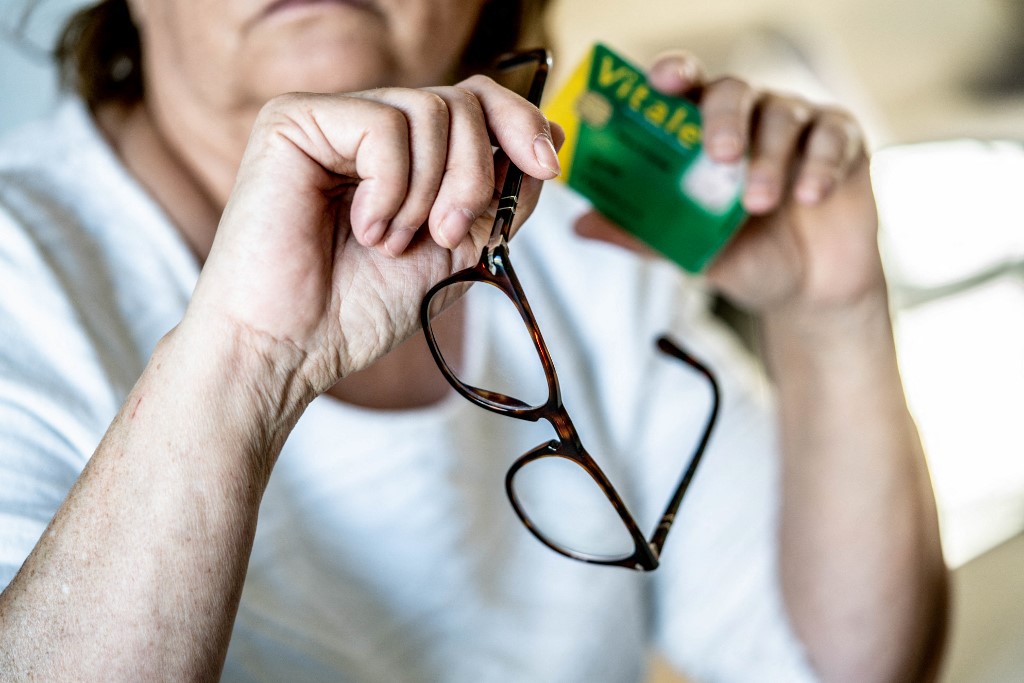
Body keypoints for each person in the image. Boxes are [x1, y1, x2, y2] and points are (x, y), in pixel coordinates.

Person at [0, 0, 947, 681]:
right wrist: (245, 361)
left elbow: (845, 665)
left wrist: (833, 317)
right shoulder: (17, 267)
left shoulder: (585, 242)